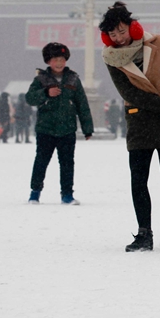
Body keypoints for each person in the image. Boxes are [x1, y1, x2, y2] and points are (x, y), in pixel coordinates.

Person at [99, 2, 160, 252]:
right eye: (113, 34)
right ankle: (144, 234)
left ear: (131, 26)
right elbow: (129, 92)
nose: (118, 38)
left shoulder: (157, 42)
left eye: (121, 31)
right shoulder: (111, 58)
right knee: (138, 180)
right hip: (140, 122)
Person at [25, 42, 93, 204]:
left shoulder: (73, 79)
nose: (59, 63)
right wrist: (46, 93)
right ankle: (35, 193)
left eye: (62, 59)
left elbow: (82, 104)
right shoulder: (41, 79)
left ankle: (67, 194)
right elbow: (30, 98)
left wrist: (87, 128)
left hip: (67, 129)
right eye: (55, 59)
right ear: (48, 61)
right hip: (45, 129)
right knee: (41, 161)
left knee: (67, 163)